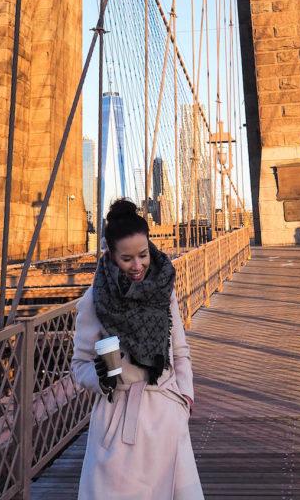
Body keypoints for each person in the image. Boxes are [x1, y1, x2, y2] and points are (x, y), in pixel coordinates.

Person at [72, 198, 204, 499]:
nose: (137, 266)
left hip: (166, 415)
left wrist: (185, 398)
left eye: (143, 255)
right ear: (111, 255)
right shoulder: (95, 300)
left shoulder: (162, 288)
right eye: (127, 258)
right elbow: (79, 364)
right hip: (118, 423)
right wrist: (102, 376)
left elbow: (180, 351)